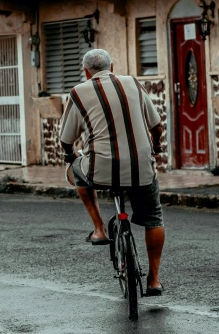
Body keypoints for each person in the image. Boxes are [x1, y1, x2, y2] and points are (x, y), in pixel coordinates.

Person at [60, 48, 165, 296]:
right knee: (154, 218)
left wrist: (70, 156)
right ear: (112, 67)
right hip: (141, 168)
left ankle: (98, 229)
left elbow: (66, 139)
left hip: (100, 169)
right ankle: (154, 280)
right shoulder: (132, 83)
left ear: (86, 72)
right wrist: (157, 148)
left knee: (75, 170)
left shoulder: (78, 92)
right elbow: (156, 125)